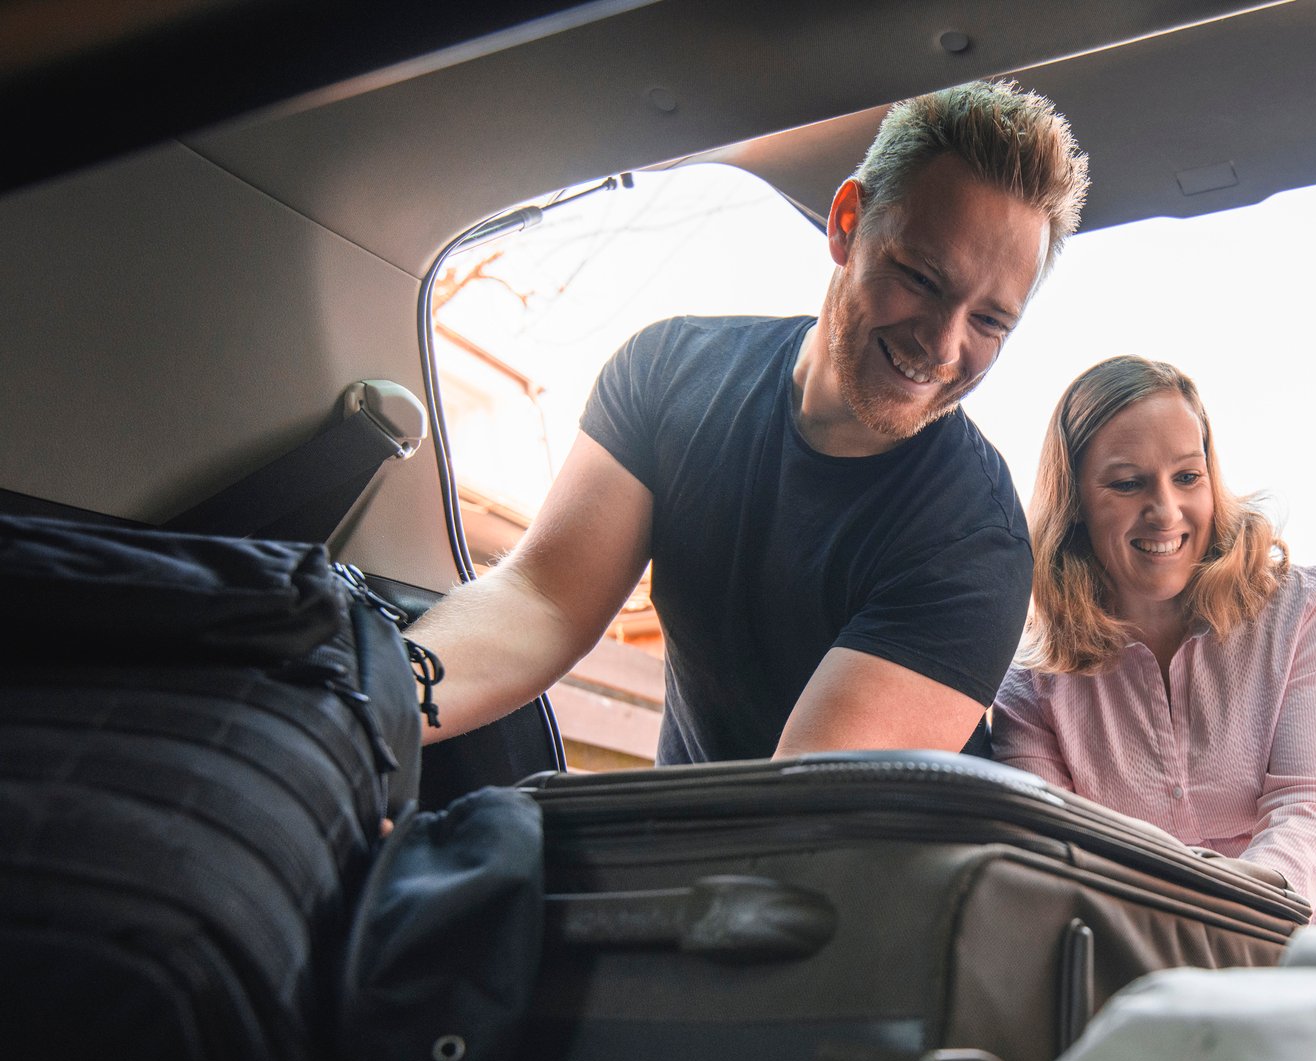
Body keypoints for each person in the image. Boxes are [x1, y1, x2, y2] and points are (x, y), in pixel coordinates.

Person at [413, 80, 1088, 763]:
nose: (942, 347)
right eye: (920, 278)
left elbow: (805, 807)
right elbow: (542, 602)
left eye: (988, 321)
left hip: (858, 864)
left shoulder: (975, 543)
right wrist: (371, 702)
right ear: (847, 223)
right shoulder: (668, 371)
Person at [990, 355, 1316, 928]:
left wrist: (1225, 920)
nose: (1166, 511)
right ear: (1076, 501)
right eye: (1128, 484)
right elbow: (1053, 856)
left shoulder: (1300, 609)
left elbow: (1313, 803)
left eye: (1187, 477)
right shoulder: (1031, 679)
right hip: (1148, 966)